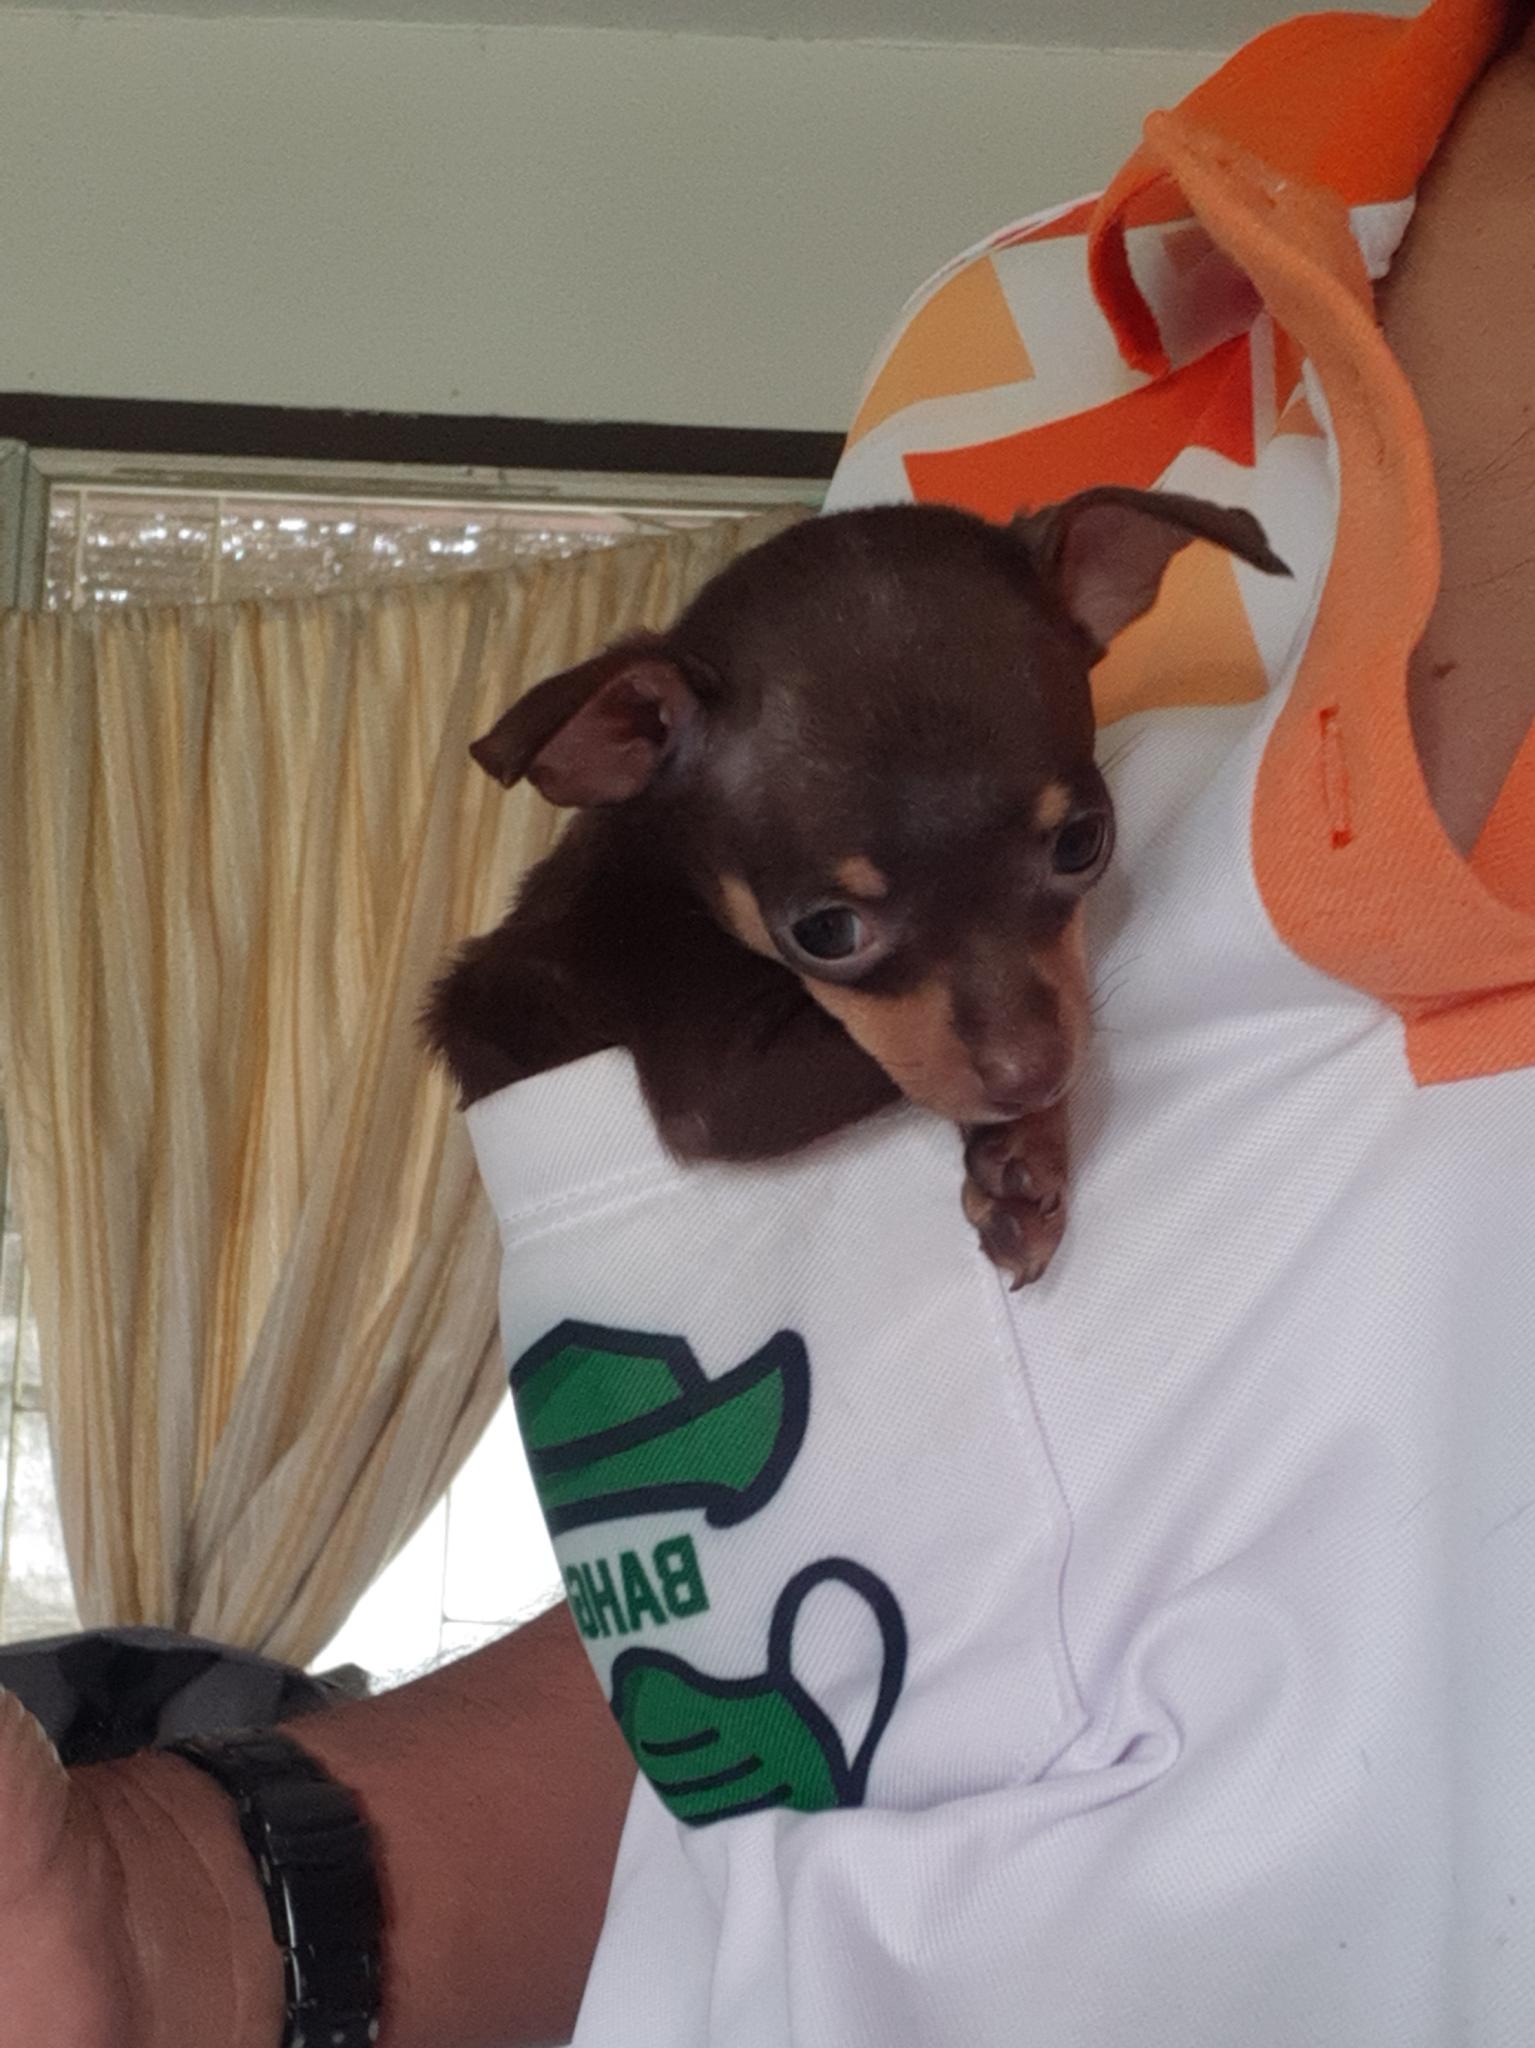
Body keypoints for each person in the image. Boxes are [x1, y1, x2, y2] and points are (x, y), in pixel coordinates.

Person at [3, 2, 1533, 2043]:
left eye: (1069, 858)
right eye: (841, 929)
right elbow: (821, 1591)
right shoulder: (1035, 350)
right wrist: (152, 1919)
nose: (1020, 1046)